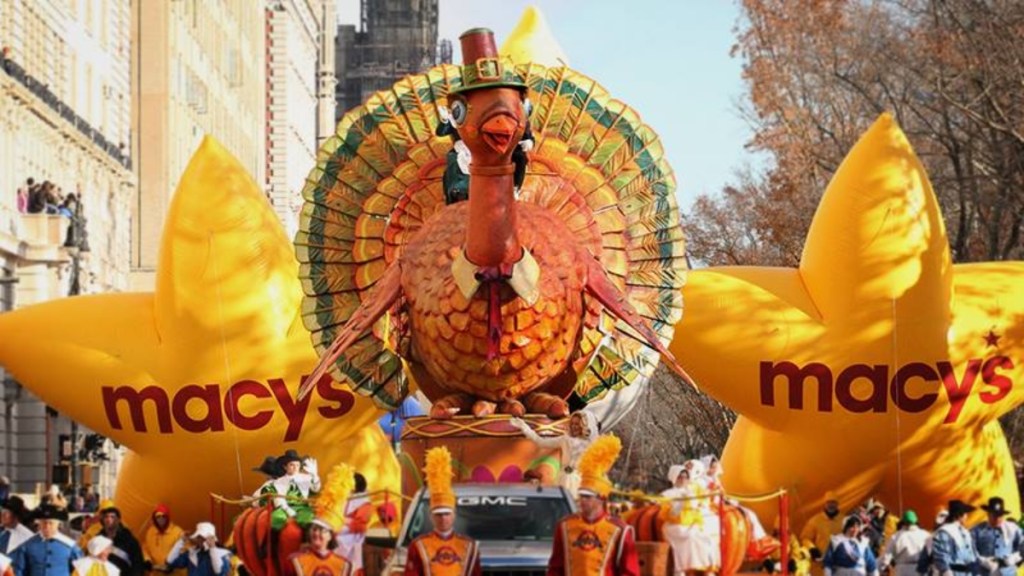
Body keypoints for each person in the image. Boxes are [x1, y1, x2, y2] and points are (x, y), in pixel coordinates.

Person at [547, 435, 639, 576]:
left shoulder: (620, 530)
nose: (582, 500)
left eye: (588, 497)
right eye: (581, 495)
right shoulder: (565, 526)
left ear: (601, 498)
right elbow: (555, 568)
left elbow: (629, 572)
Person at [404, 447, 481, 576]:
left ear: (454, 515)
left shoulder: (468, 546)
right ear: (431, 516)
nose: (443, 518)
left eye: (446, 514)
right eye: (438, 514)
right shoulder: (418, 545)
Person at [510, 411, 599, 497]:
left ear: (584, 426)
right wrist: (525, 428)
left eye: (577, 424)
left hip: (582, 481)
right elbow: (542, 442)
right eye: (572, 424)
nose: (573, 427)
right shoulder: (565, 439)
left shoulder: (593, 444)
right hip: (564, 479)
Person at [290, 464, 357, 576]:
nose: (316, 533)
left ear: (331, 536)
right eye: (314, 529)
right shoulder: (296, 561)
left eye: (322, 530)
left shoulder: (344, 565)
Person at [660, 461, 717, 575]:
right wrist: (679, 506)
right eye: (680, 476)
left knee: (706, 539)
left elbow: (697, 512)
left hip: (691, 525)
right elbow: (665, 514)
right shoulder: (667, 494)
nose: (683, 479)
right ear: (674, 477)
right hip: (674, 526)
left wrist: (695, 521)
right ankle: (680, 569)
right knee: (689, 538)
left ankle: (706, 569)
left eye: (685, 477)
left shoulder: (692, 493)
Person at [12, 503, 84, 576]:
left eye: (51, 523)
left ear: (58, 524)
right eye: (44, 523)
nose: (47, 526)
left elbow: (80, 571)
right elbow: (19, 571)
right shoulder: (27, 546)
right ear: (39, 523)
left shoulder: (70, 546)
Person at [971, 497, 1023, 576]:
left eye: (1000, 515)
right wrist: (982, 561)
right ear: (988, 514)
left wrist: (1015, 558)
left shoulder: (1013, 529)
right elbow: (968, 550)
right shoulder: (977, 530)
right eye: (994, 515)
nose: (998, 518)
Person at [271, 450, 321, 531]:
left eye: (297, 465)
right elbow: (278, 499)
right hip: (285, 507)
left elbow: (316, 489)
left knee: (307, 519)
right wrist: (287, 510)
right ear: (285, 467)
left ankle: (306, 540)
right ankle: (275, 541)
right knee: (276, 518)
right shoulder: (278, 481)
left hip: (303, 507)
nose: (295, 467)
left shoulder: (306, 477)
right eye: (292, 465)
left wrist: (315, 475)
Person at [335, 473, 373, 576]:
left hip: (352, 534)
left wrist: (345, 521)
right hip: (341, 529)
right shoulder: (345, 497)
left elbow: (361, 525)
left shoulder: (364, 502)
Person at [96, 500, 145, 576]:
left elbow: (137, 564)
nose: (109, 519)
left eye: (112, 517)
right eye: (106, 517)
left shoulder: (129, 540)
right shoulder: (98, 539)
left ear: (118, 520)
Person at [931, 500, 978, 576]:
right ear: (959, 515)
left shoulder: (965, 532)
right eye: (965, 514)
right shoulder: (945, 532)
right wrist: (946, 571)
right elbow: (941, 556)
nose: (967, 516)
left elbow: (973, 554)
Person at [165, 523, 231, 576]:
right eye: (198, 537)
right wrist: (181, 541)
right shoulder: (192, 553)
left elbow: (220, 572)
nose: (199, 540)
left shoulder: (222, 554)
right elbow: (170, 561)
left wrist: (212, 548)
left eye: (202, 537)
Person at [800, 492, 844, 570]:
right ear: (825, 504)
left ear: (837, 504)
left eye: (833, 502)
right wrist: (812, 548)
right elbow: (805, 538)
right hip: (820, 566)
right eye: (828, 502)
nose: (831, 505)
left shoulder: (844, 520)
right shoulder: (815, 521)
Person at [878, 510, 928, 576]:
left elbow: (886, 556)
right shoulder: (925, 535)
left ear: (903, 522)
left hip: (902, 571)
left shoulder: (896, 536)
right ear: (916, 521)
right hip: (921, 570)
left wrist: (881, 568)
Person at [141, 504, 185, 576]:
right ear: (154, 518)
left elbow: (184, 551)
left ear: (167, 517)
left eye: (163, 516)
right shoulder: (150, 532)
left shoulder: (177, 532)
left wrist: (174, 564)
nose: (161, 519)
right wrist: (147, 560)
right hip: (156, 573)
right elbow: (145, 549)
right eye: (158, 516)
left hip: (174, 573)